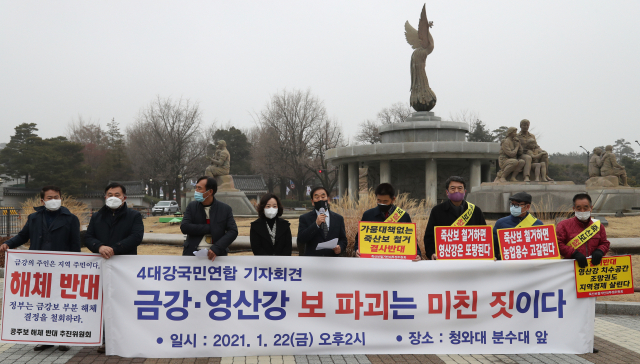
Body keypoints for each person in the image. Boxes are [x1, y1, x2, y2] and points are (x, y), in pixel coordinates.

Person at [0, 185, 79, 352]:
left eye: (56, 197)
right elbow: (23, 236)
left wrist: (75, 266)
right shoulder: (34, 218)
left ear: (61, 198)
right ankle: (45, 338)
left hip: (61, 268)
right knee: (41, 304)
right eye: (50, 198)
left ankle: (62, 338)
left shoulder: (71, 219)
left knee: (61, 304)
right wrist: (8, 243)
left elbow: (75, 245)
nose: (54, 200)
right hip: (39, 268)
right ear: (42, 200)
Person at [85, 182, 144, 353]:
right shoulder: (97, 216)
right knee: (105, 303)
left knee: (125, 302)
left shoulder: (134, 216)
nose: (113, 197)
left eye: (117, 195)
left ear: (124, 198)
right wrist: (99, 246)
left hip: (126, 265)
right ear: (105, 197)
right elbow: (89, 237)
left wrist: (114, 248)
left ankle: (127, 338)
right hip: (102, 265)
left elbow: (136, 237)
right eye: (110, 194)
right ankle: (106, 339)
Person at [424, 176, 487, 260]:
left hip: (470, 258)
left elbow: (484, 236)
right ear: (447, 192)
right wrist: (432, 253)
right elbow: (429, 237)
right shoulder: (437, 210)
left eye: (460, 188)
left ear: (465, 191)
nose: (456, 191)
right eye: (452, 188)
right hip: (445, 259)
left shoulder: (475, 211)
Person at [354, 183, 422, 259]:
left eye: (385, 201)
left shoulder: (403, 216)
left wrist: (417, 254)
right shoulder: (368, 215)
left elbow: (411, 240)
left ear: (393, 199)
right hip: (374, 260)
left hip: (396, 260)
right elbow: (359, 238)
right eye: (379, 200)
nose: (382, 203)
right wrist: (357, 249)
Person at [181, 176, 238, 260]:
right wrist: (210, 227)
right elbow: (184, 227)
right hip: (192, 253)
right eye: (196, 188)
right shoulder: (192, 206)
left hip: (217, 254)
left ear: (210, 191)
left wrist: (217, 248)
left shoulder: (225, 209)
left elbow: (233, 231)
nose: (196, 191)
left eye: (199, 188)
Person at [557, 193, 610, 269]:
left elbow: (605, 243)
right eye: (579, 208)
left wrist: (600, 251)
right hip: (571, 268)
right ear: (574, 209)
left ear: (591, 208)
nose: (582, 211)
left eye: (585, 208)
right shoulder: (563, 225)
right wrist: (573, 253)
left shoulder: (598, 226)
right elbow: (558, 244)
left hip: (593, 268)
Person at [492, 192, 544, 260]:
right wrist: (493, 258)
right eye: (512, 204)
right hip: (507, 265)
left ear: (527, 207)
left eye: (517, 205)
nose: (513, 207)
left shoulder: (537, 224)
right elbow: (493, 246)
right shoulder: (501, 223)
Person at [298, 186, 347, 257]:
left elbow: (343, 239)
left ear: (328, 200)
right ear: (312, 202)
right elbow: (301, 239)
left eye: (323, 197)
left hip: (332, 260)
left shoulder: (338, 218)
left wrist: (340, 247)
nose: (320, 199)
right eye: (317, 197)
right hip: (312, 261)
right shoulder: (305, 218)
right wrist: (316, 224)